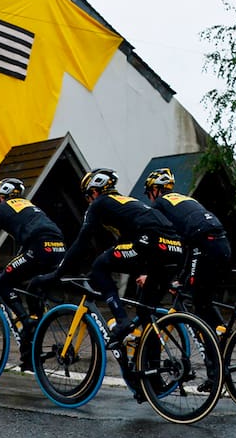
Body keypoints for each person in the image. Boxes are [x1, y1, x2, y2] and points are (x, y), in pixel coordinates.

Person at [39, 168, 184, 395]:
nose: (88, 201)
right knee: (147, 314)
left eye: (88, 196)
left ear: (95, 192)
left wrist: (56, 274)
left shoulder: (100, 204)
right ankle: (152, 379)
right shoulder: (126, 204)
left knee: (99, 266)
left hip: (150, 241)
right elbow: (125, 245)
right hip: (173, 246)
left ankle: (121, 319)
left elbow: (81, 244)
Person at [0, 177, 66, 365]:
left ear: (1, 196)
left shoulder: (1, 209)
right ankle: (31, 348)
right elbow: (24, 247)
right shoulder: (29, 206)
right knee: (34, 289)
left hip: (38, 246)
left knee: (4, 283)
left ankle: (26, 321)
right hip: (58, 247)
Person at [142, 168, 232, 332]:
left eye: (149, 193)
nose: (149, 198)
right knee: (204, 299)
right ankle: (223, 335)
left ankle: (212, 346)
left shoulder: (160, 204)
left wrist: (149, 273)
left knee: (194, 296)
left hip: (203, 243)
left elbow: (159, 242)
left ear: (155, 190)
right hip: (222, 243)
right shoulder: (187, 200)